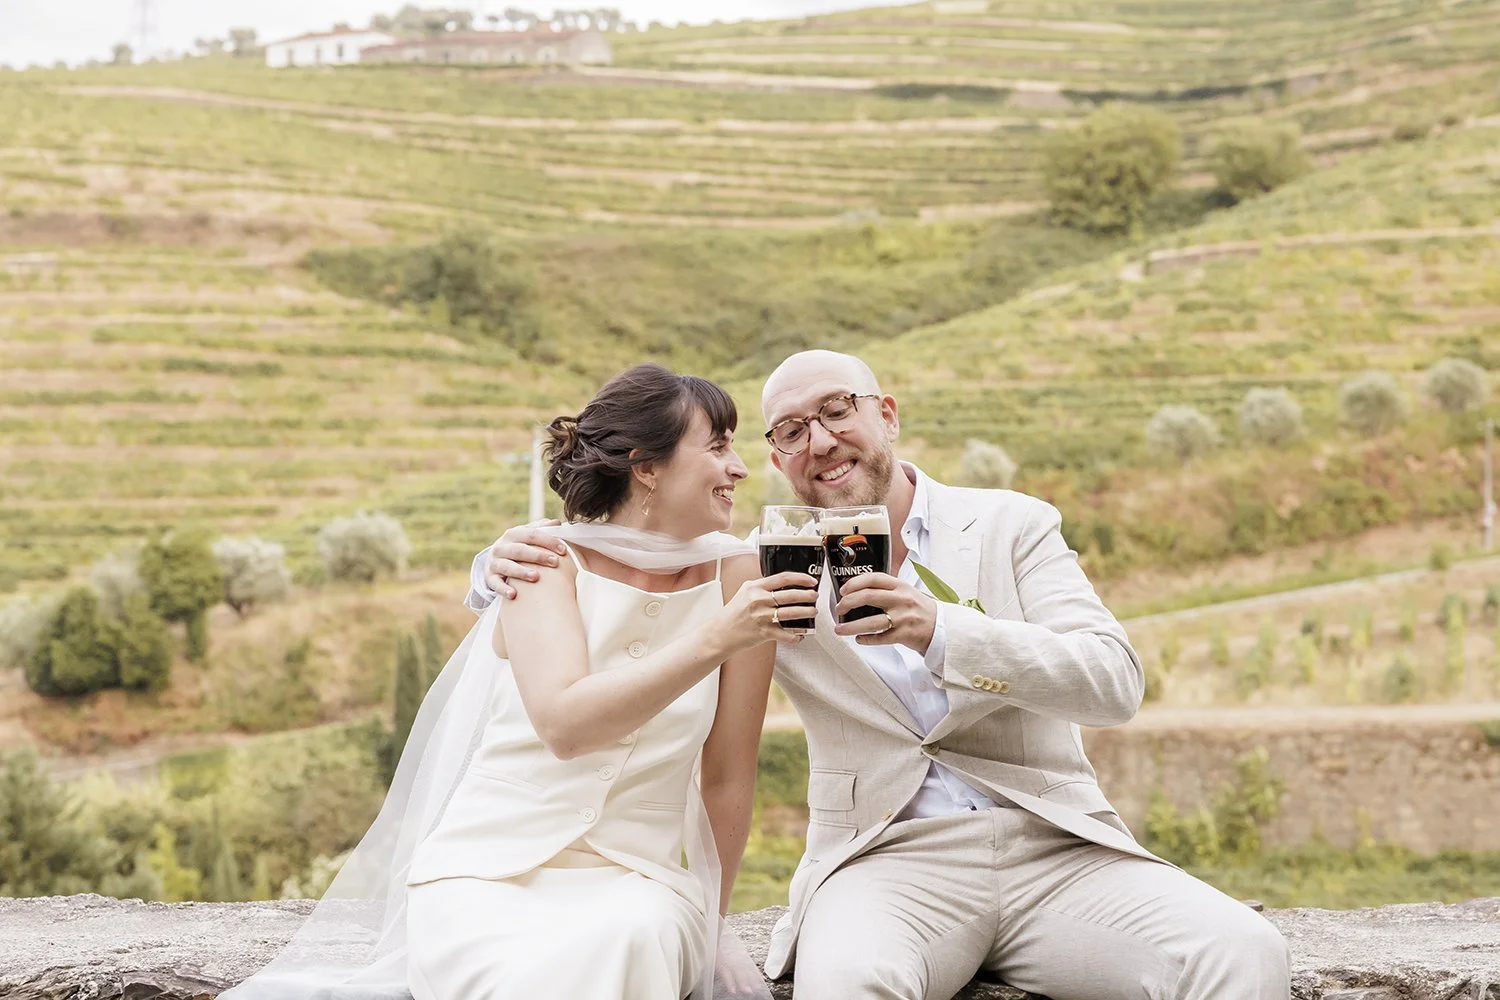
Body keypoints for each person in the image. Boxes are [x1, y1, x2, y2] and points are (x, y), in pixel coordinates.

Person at [471, 350, 1292, 1000]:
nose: (819, 440)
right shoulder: (761, 563)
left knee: (1243, 953)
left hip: (1060, 850)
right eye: (790, 430)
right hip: (883, 860)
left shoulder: (1011, 525)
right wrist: (494, 563)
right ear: (778, 460)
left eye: (837, 410)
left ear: (886, 414)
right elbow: (630, 552)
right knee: (848, 983)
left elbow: (1114, 683)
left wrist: (944, 630)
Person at [224, 363, 816, 1000]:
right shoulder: (542, 561)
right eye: (718, 445)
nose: (740, 468)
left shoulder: (741, 580)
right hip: (485, 875)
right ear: (646, 466)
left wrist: (717, 923)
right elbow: (566, 725)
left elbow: (728, 775)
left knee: (634, 938)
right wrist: (719, 636)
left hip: (637, 881)